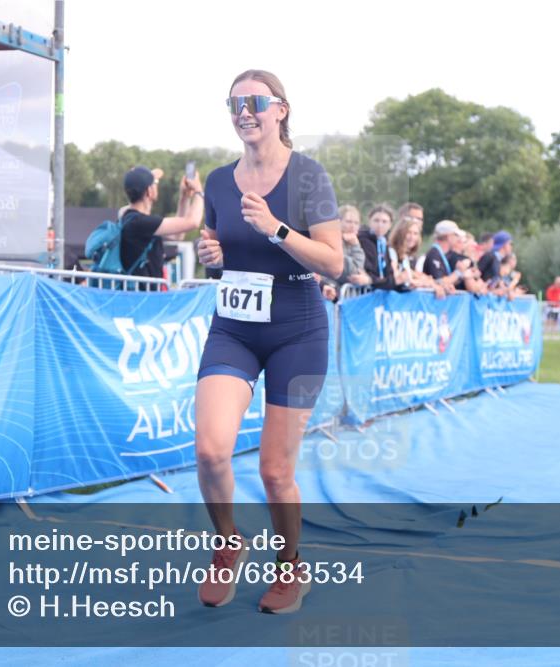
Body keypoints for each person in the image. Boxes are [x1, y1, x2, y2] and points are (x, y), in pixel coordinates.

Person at [194, 69, 343, 614]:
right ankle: (228, 541)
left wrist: (277, 229)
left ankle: (290, 566)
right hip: (234, 327)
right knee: (211, 450)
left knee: (275, 471)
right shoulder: (217, 181)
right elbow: (217, 253)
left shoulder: (307, 177)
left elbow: (335, 261)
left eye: (255, 101)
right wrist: (212, 258)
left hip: (297, 332)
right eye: (234, 103)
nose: (243, 111)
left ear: (280, 109)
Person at [119, 166, 203, 284]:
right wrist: (199, 192)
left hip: (140, 296)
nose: (156, 185)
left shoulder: (129, 218)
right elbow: (193, 221)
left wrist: (184, 197)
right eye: (155, 183)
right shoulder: (140, 222)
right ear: (149, 191)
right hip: (143, 297)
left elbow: (177, 235)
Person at [388, 215, 444, 298]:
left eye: (415, 234)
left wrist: (430, 282)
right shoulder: (391, 251)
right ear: (400, 233)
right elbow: (397, 277)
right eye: (408, 232)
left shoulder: (405, 256)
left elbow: (411, 275)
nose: (412, 237)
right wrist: (425, 283)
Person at [322, 204, 370, 295]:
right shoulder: (332, 240)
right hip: (331, 295)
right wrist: (356, 246)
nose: (353, 226)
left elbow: (361, 269)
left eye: (356, 223)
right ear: (338, 222)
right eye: (348, 221)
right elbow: (352, 272)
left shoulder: (353, 240)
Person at [357, 204, 396, 290]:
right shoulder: (363, 241)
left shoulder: (385, 243)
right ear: (369, 221)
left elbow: (389, 273)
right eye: (376, 220)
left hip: (379, 288)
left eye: (384, 222)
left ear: (390, 225)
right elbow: (368, 271)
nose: (380, 225)